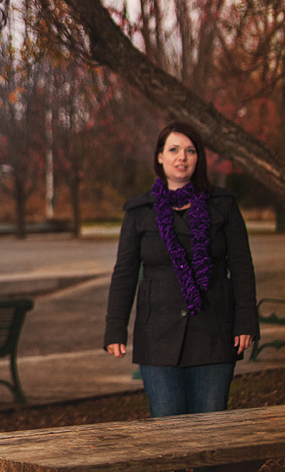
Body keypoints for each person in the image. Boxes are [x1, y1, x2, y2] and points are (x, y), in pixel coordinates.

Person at [104, 120, 259, 417]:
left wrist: (246, 322)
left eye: (190, 150)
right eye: (173, 149)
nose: (182, 158)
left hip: (214, 333)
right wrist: (115, 328)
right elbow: (124, 274)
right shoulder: (139, 212)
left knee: (211, 436)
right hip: (157, 338)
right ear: (160, 156)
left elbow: (241, 267)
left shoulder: (223, 204)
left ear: (198, 158)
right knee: (168, 438)